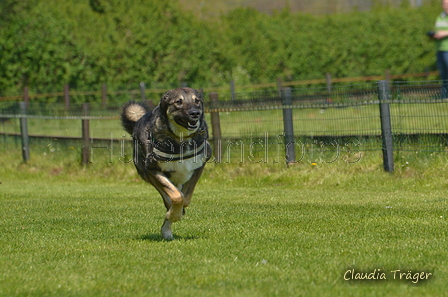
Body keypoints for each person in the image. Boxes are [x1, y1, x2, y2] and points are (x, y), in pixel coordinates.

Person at [433, 0, 448, 98]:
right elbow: (437, 29)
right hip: (440, 48)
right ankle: (445, 95)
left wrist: (445, 33)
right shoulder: (440, 17)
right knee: (443, 73)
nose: (446, 6)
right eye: (444, 4)